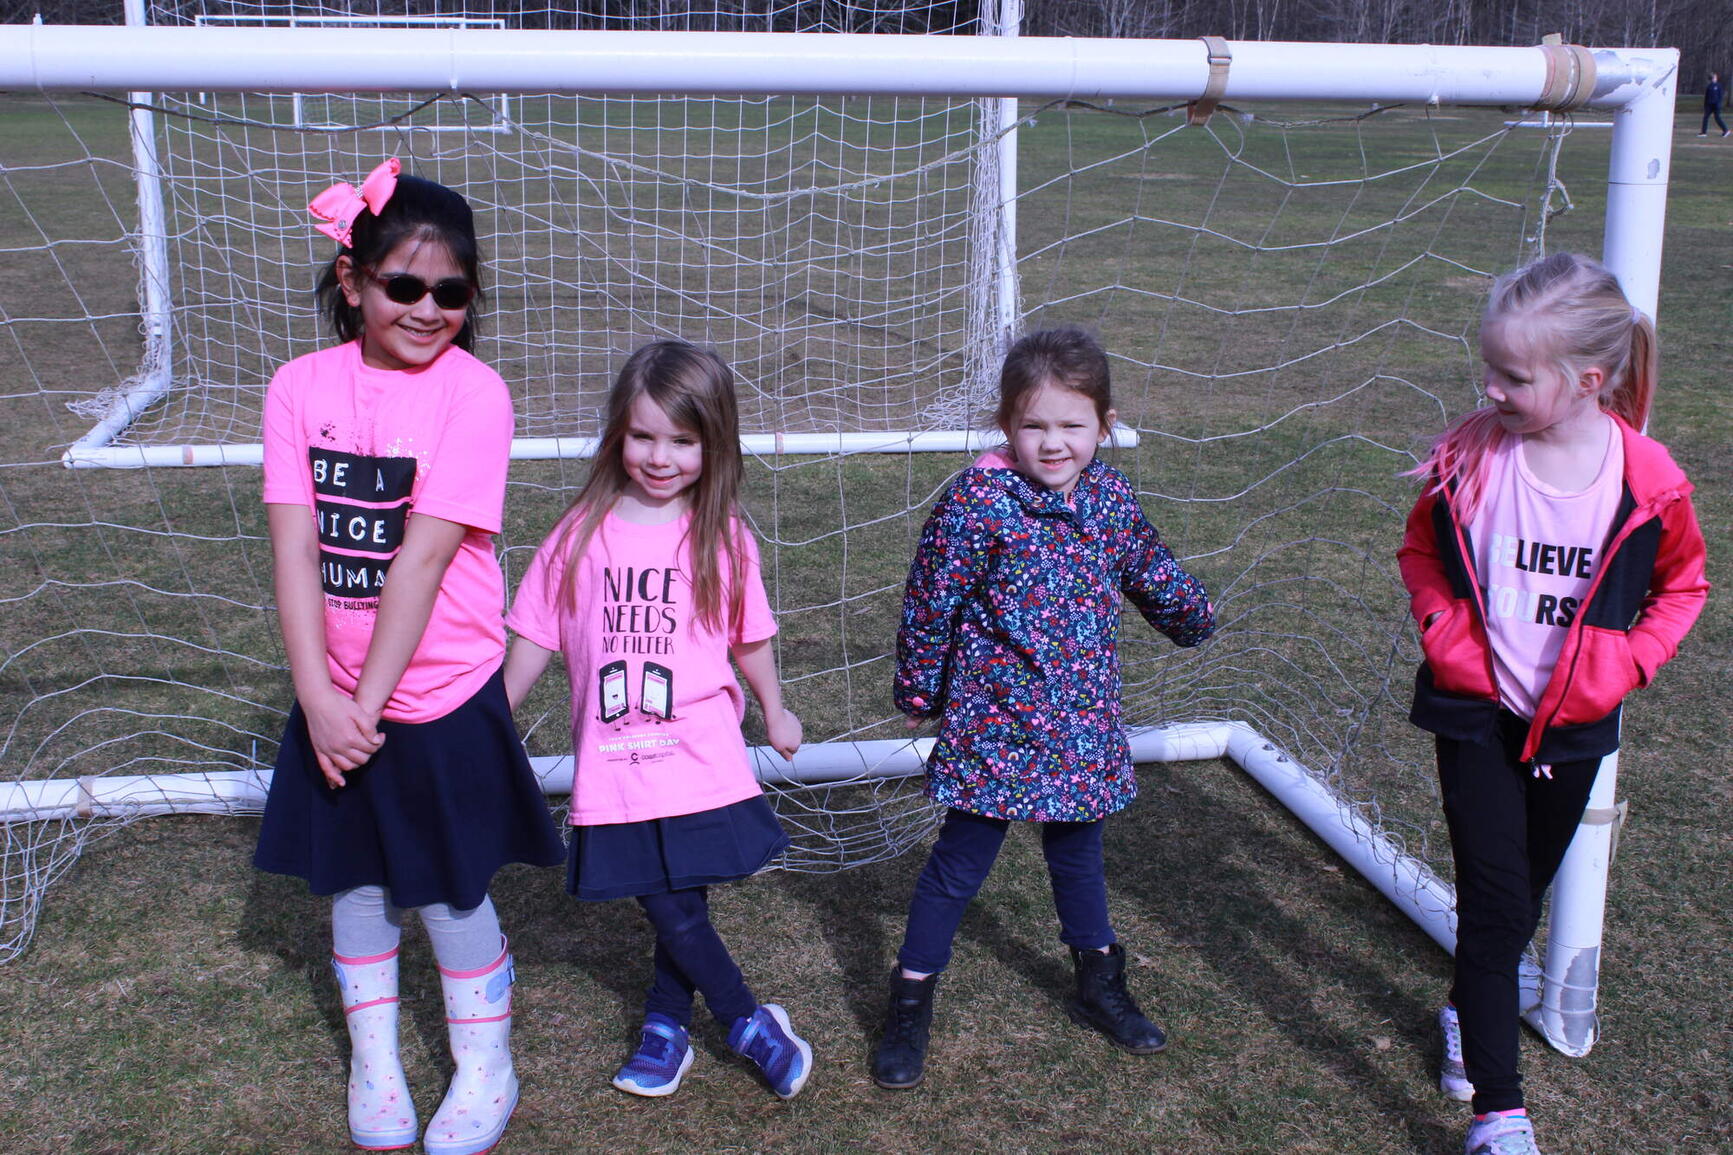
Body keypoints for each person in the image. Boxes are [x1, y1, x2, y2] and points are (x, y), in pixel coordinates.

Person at [252, 158, 565, 1155]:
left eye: (451, 292)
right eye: (403, 285)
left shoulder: (476, 395)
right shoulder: (298, 387)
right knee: (354, 885)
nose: (428, 310)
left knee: (445, 887)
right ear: (352, 281)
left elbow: (423, 559)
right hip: (334, 699)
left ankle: (485, 1065)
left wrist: (367, 705)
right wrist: (319, 696)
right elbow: (295, 549)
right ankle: (376, 1062)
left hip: (436, 695)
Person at [1398, 253, 1707, 1155]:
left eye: (1513, 376)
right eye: (1487, 368)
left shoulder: (1646, 481)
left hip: (1572, 730)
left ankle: (1467, 1004)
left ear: (1588, 380)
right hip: (1475, 720)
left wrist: (1627, 665)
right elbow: (1420, 552)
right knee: (1495, 901)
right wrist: (1443, 631)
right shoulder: (1470, 458)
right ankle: (1499, 1114)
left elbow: (1683, 587)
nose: (1490, 389)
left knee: (1520, 890)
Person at [870, 326, 1216, 1091]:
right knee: (958, 862)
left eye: (1070, 424)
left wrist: (1191, 615)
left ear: (1104, 424)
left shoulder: (1108, 498)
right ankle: (910, 998)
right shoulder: (977, 502)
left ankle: (1099, 983)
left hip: (1081, 721)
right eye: (1033, 425)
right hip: (993, 721)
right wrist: (920, 689)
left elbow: (1147, 566)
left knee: (1078, 856)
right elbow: (931, 600)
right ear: (1006, 424)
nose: (1052, 442)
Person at [503, 340, 813, 1101]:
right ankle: (720, 1018)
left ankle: (697, 1026)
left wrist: (775, 709)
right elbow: (535, 634)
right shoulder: (577, 534)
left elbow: (750, 636)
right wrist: (491, 718)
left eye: (681, 440)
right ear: (618, 433)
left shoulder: (722, 536)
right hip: (616, 758)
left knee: (677, 899)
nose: (660, 457)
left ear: (714, 443)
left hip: (699, 751)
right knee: (667, 899)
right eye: (643, 436)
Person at [1701, 71, 1727, 136]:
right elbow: (1707, 97)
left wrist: (1719, 104)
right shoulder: (1709, 86)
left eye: (1715, 77)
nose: (1715, 78)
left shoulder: (1719, 86)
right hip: (1709, 106)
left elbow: (1720, 96)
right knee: (1705, 118)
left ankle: (1725, 130)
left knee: (1717, 118)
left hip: (1716, 105)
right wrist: (1705, 105)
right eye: (1714, 77)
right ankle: (1703, 133)